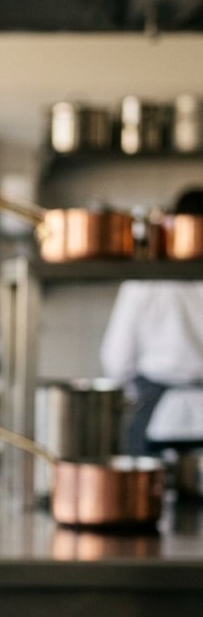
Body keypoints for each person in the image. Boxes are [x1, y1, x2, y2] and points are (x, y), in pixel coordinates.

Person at [100, 187, 203, 455]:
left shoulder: (144, 282)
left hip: (157, 415)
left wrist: (139, 394)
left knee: (147, 495)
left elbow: (116, 360)